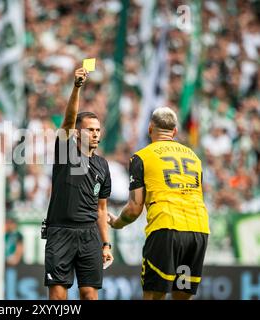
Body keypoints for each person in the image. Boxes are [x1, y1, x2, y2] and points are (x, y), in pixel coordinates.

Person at [108, 107, 210, 300]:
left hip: (166, 228)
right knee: (182, 295)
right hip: (199, 230)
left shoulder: (141, 157)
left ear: (150, 128)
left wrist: (117, 223)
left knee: (154, 295)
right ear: (175, 131)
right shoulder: (194, 158)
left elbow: (134, 209)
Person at [44, 67, 113, 300]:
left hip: (89, 235)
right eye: (89, 130)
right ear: (76, 134)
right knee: (57, 294)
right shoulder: (66, 153)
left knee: (89, 294)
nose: (94, 134)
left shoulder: (103, 165)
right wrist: (76, 87)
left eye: (97, 130)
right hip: (60, 232)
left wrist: (106, 244)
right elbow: (68, 122)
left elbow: (101, 209)